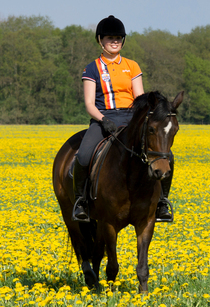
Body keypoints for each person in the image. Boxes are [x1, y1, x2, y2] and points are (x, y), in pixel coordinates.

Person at [73, 15, 173, 222]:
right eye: (110, 38)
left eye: (118, 38)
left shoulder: (132, 66)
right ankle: (81, 201)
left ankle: (162, 202)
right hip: (104, 118)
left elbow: (139, 98)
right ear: (100, 40)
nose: (115, 41)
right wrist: (103, 119)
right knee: (83, 155)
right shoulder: (92, 68)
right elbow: (89, 104)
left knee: (167, 155)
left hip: (131, 118)